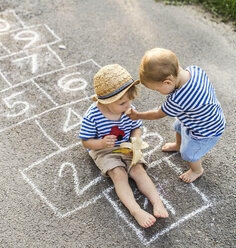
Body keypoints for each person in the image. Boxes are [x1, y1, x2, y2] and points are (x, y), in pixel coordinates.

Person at [79, 64, 168, 228]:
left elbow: (136, 127)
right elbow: (85, 141)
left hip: (127, 146)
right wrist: (100, 143)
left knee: (138, 170)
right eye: (122, 103)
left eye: (130, 100)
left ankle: (157, 202)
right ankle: (136, 210)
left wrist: (136, 140)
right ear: (105, 102)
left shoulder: (128, 108)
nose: (128, 106)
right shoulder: (92, 116)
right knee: (118, 174)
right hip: (104, 150)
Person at [127, 48, 226, 183]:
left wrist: (138, 115)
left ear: (168, 82)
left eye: (157, 89)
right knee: (178, 125)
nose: (158, 91)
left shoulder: (179, 99)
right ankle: (178, 145)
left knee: (189, 154)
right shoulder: (194, 70)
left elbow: (158, 113)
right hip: (205, 115)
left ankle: (197, 170)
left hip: (207, 130)